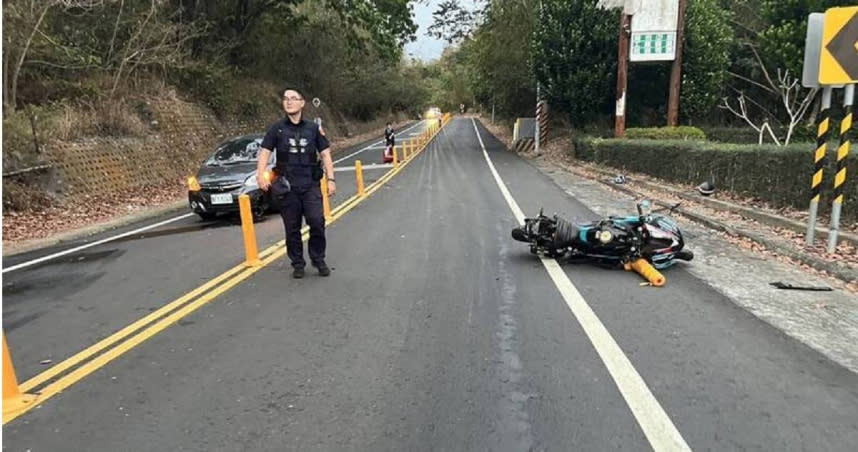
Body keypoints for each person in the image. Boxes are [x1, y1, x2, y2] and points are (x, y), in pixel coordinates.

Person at [257, 87, 336, 279]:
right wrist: (260, 174)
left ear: (302, 103)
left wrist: (331, 179)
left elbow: (325, 153)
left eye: (293, 98)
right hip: (288, 187)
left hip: (310, 185)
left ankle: (318, 259)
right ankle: (298, 263)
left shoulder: (313, 128)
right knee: (292, 228)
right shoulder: (277, 129)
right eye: (286, 99)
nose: (289, 101)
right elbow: (265, 152)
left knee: (317, 222)